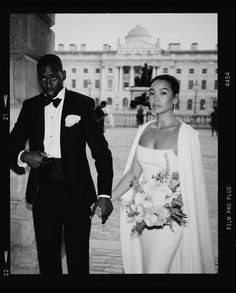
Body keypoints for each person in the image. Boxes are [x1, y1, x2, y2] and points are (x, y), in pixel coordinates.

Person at [10, 54, 114, 276]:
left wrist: (105, 194)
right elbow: (10, 145)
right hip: (43, 192)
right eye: (43, 78)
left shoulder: (83, 104)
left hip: (77, 191)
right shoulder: (30, 106)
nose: (48, 83)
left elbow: (102, 153)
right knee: (47, 260)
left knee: (78, 259)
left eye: (53, 77)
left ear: (63, 75)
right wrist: (24, 155)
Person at [112, 74, 215, 273]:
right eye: (152, 93)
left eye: (163, 93)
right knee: (143, 268)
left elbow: (192, 186)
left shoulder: (187, 135)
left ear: (175, 98)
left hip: (170, 222)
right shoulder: (143, 130)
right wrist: (106, 198)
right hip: (142, 219)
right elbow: (133, 174)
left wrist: (165, 209)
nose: (155, 98)